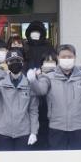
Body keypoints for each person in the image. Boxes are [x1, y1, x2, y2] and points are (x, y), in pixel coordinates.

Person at [29, 45, 81, 150]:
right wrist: (33, 81)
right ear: (58, 57)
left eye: (70, 56)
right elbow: (41, 90)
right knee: (58, 158)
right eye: (63, 57)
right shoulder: (49, 76)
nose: (66, 59)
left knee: (80, 158)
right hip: (57, 127)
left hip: (80, 127)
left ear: (75, 57)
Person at [0, 49, 39, 150]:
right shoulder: (1, 83)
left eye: (17, 60)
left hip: (23, 132)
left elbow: (33, 110)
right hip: (4, 132)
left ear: (22, 63)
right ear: (7, 63)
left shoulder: (29, 84)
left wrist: (34, 132)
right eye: (11, 61)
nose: (14, 63)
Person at [23, 21, 56, 150]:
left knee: (45, 118)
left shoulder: (49, 47)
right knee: (31, 115)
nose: (35, 34)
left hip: (46, 86)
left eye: (38, 31)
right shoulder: (24, 47)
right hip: (28, 87)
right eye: (33, 31)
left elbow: (54, 63)